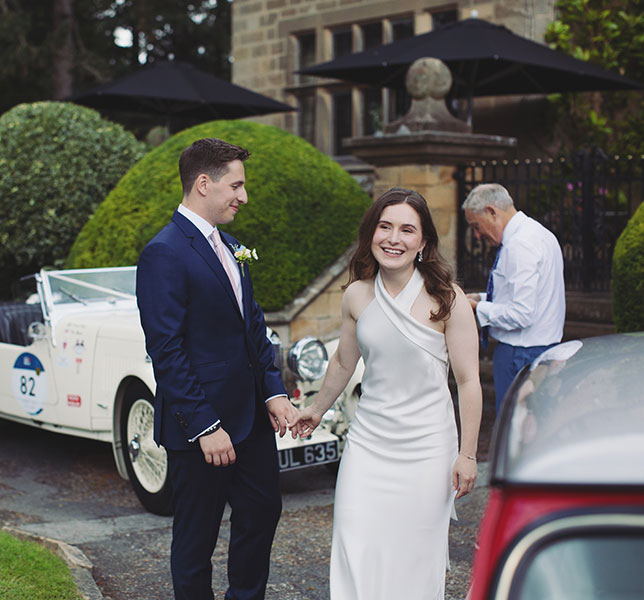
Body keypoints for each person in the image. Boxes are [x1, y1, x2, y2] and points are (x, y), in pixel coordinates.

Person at [291, 188, 482, 599]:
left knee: (413, 556)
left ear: (424, 243)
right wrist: (316, 409)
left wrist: (467, 455)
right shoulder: (357, 294)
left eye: (407, 230)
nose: (394, 238)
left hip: (427, 450)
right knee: (355, 546)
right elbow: (344, 360)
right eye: (385, 227)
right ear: (371, 234)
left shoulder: (449, 300)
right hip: (369, 446)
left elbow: (468, 382)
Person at [136, 137, 300, 600]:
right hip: (200, 428)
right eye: (237, 185)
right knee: (196, 538)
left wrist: (273, 391)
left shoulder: (231, 246)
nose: (243, 197)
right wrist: (206, 425)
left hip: (251, 421)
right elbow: (166, 350)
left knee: (262, 513)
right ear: (204, 184)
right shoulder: (164, 252)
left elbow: (254, 328)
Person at [462, 183, 565, 414]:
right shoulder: (538, 234)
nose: (477, 235)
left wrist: (477, 308)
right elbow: (520, 296)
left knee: (513, 429)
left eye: (476, 226)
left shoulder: (520, 245)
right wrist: (479, 297)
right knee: (533, 424)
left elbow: (521, 313)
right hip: (538, 348)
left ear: (491, 211)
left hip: (520, 353)